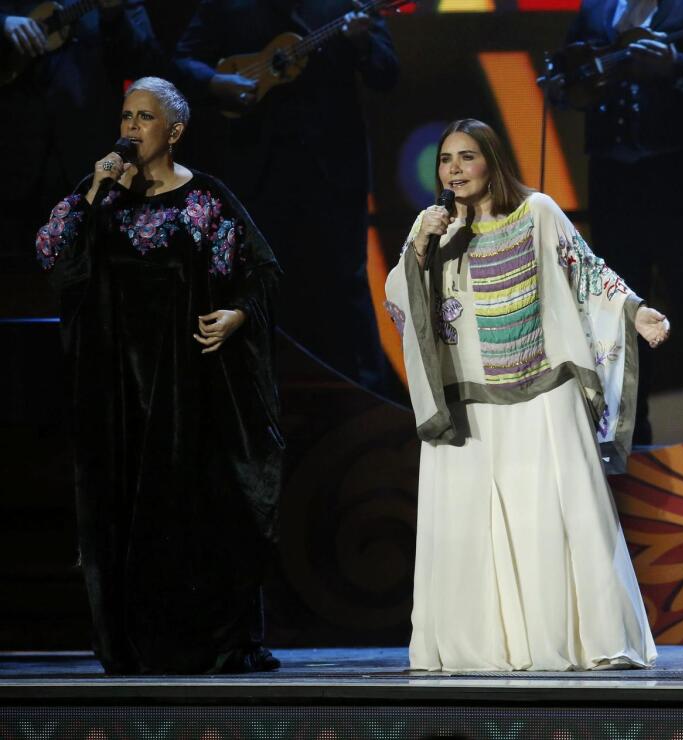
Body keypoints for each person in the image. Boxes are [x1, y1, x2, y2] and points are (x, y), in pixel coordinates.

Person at [384, 119, 666, 671]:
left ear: (492, 160)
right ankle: (481, 646)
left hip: (542, 393)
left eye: (467, 157)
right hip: (466, 401)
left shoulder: (537, 211)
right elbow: (400, 300)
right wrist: (420, 247)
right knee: (470, 528)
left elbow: (586, 270)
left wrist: (634, 311)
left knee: (549, 520)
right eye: (446, 160)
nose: (455, 170)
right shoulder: (431, 228)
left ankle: (583, 641)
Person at [35, 77, 284, 674]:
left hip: (190, 386)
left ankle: (206, 643)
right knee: (119, 511)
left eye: (143, 118)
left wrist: (238, 315)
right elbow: (53, 256)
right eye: (125, 116)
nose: (129, 129)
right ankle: (131, 642)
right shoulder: (101, 197)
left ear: (173, 131)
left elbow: (262, 271)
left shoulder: (206, 200)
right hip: (116, 386)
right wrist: (93, 193)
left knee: (195, 510)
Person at [173, 0, 399, 397]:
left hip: (332, 172)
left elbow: (386, 73)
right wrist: (216, 82)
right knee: (262, 291)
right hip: (258, 174)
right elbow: (184, 60)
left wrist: (363, 44)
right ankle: (261, 405)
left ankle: (365, 414)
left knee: (344, 290)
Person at [556, 0, 683, 442]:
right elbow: (561, 75)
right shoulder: (598, 8)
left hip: (679, 171)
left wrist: (676, 64)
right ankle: (629, 427)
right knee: (618, 304)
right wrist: (574, 81)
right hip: (612, 175)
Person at [0, 0, 162, 259]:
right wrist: (3, 23)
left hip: (86, 163)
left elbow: (146, 65)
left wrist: (114, 16)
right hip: (12, 158)